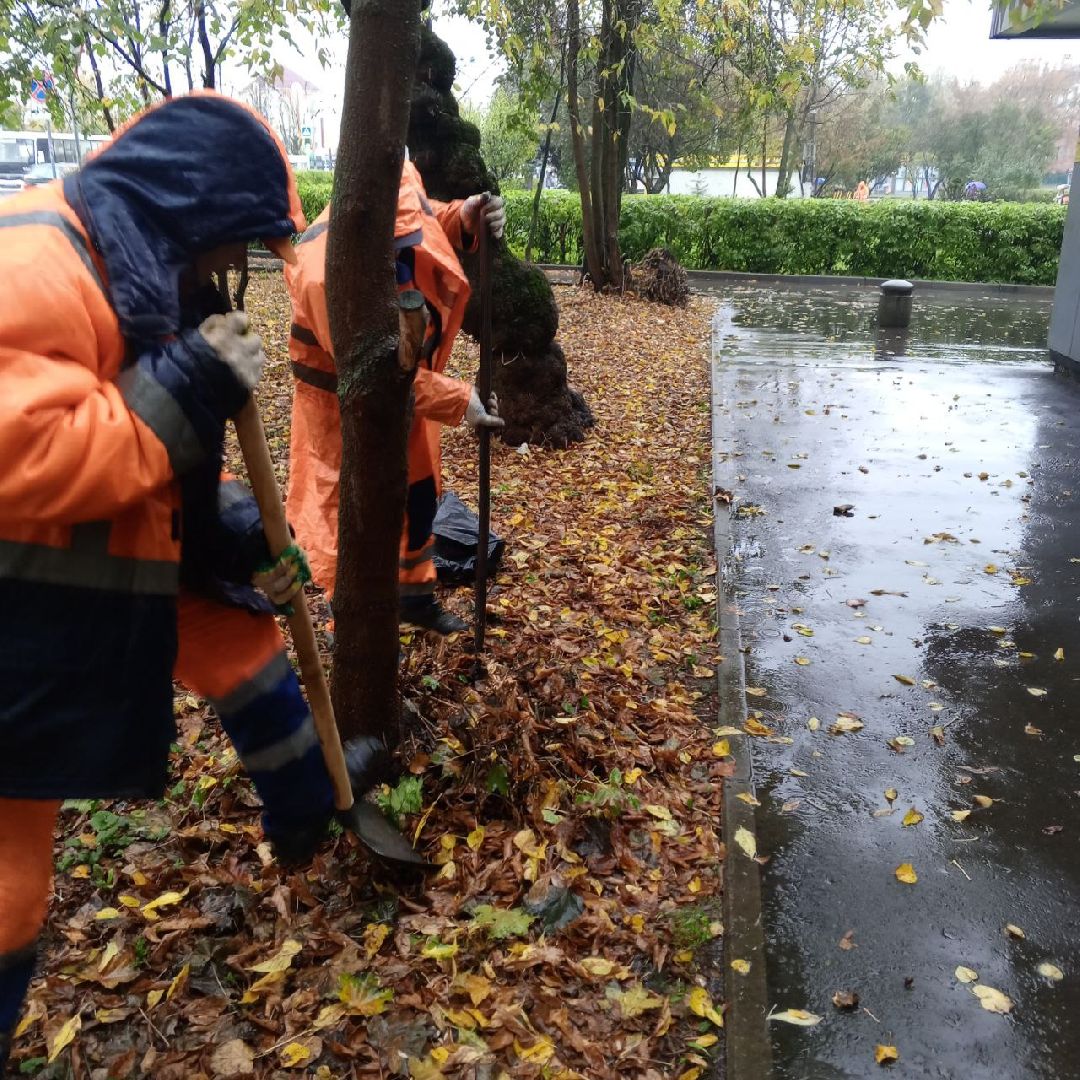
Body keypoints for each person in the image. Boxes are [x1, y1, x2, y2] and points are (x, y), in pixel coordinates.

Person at [0, 93, 339, 1069]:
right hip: (28, 620)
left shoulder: (126, 267)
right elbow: (38, 453)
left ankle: (310, 827)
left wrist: (237, 538)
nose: (224, 277)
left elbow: (166, 472)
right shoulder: (36, 270)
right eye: (224, 250)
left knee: (251, 656)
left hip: (97, 582)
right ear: (183, 216)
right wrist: (190, 382)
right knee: (7, 893)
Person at [285, 158, 505, 642]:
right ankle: (355, 634)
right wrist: (459, 400)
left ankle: (413, 595)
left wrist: (462, 218)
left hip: (406, 398)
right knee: (353, 522)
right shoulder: (325, 276)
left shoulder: (394, 186)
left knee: (419, 494)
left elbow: (424, 218)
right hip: (343, 416)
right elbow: (374, 374)